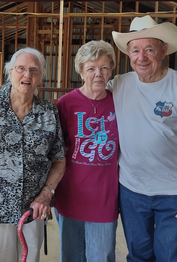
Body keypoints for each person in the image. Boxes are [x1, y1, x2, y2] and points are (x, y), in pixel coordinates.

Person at [109, 15, 177, 262]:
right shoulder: (118, 85)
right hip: (132, 190)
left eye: (149, 49)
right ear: (128, 54)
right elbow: (87, 97)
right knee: (138, 256)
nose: (142, 57)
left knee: (169, 257)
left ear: (163, 50)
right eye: (135, 50)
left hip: (176, 192)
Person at [0, 47, 66, 262]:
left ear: (41, 77)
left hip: (33, 211)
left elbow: (59, 160)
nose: (27, 75)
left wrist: (46, 194)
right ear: (9, 72)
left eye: (33, 70)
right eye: (21, 69)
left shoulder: (48, 112)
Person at [54, 40, 119, 262]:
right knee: (71, 257)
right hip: (70, 196)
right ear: (81, 72)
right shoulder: (65, 104)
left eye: (103, 67)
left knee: (102, 256)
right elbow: (53, 149)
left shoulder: (119, 102)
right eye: (91, 68)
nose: (98, 74)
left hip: (104, 198)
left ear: (111, 70)